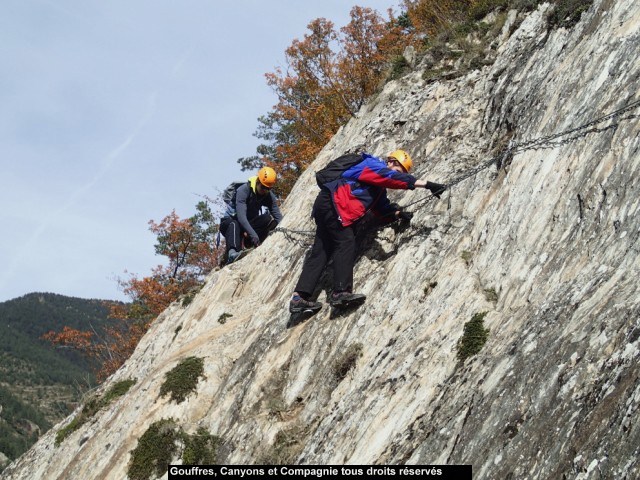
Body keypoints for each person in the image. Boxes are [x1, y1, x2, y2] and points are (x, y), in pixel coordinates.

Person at [288, 149, 446, 313]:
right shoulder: (372, 165)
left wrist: (398, 214)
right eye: (399, 170)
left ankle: (299, 298)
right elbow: (391, 177)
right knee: (346, 242)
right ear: (391, 162)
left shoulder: (377, 188)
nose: (398, 174)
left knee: (321, 250)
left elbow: (381, 209)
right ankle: (340, 293)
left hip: (327, 204)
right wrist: (426, 184)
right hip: (333, 203)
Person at [220, 166, 283, 263]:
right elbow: (241, 217)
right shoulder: (244, 190)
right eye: (263, 187)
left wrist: (283, 226)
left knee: (266, 218)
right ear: (258, 181)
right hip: (229, 223)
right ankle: (233, 253)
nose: (265, 190)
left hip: (247, 225)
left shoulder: (268, 195)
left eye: (268, 188)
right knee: (234, 224)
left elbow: (277, 215)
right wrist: (253, 234)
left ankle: (251, 242)